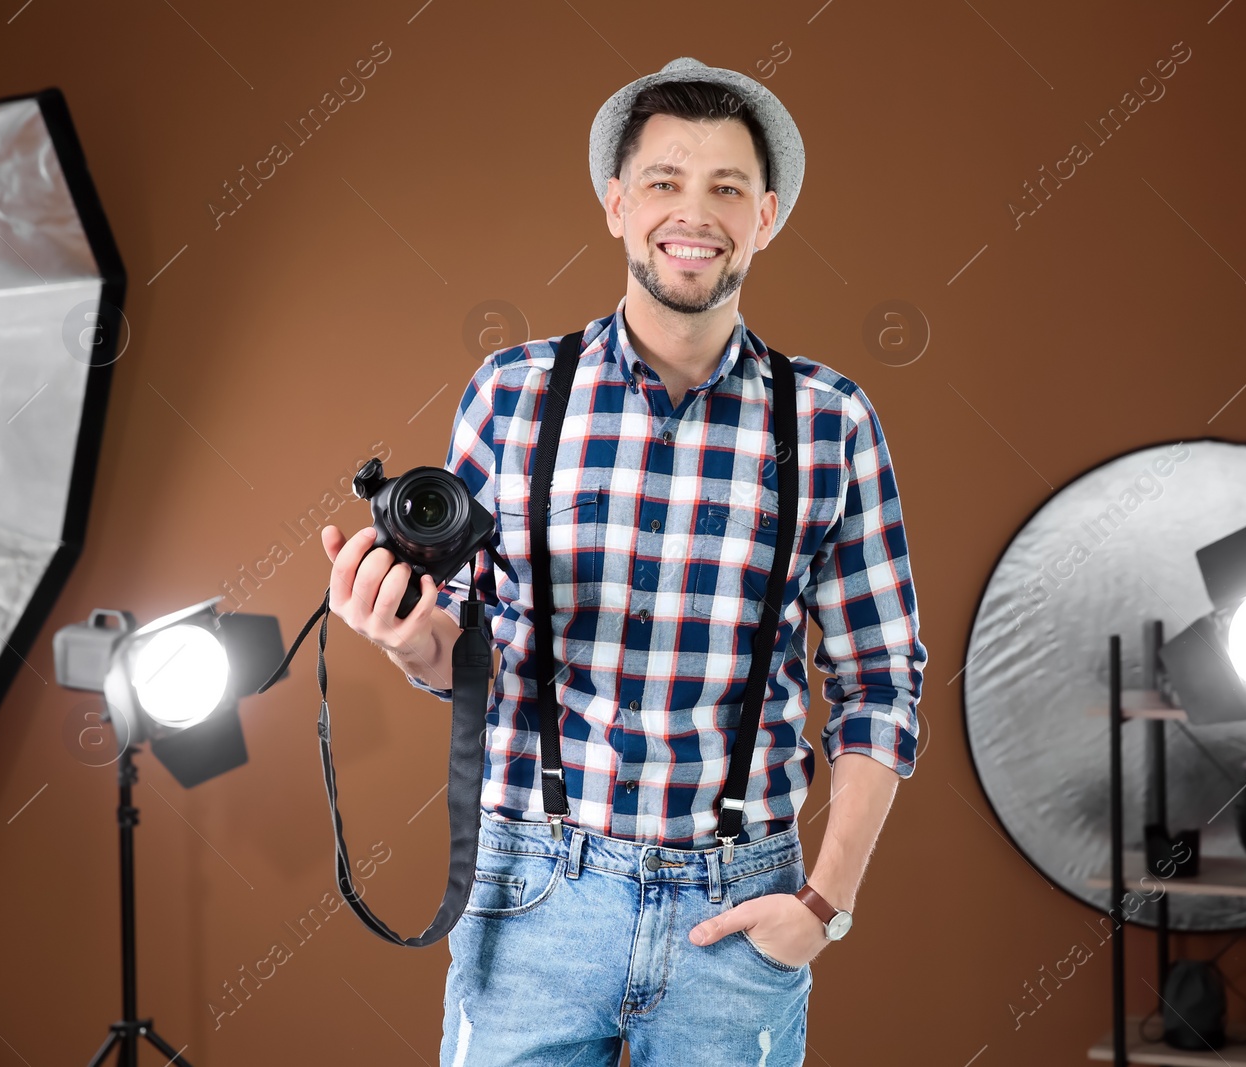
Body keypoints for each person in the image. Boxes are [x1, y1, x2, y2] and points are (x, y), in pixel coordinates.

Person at [320, 56, 925, 1067]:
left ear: (765, 215)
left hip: (738, 905)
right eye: (664, 181)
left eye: (727, 187)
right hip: (533, 893)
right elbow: (460, 652)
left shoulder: (829, 419)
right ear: (615, 203)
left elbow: (880, 680)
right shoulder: (513, 392)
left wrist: (826, 902)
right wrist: (399, 635)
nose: (695, 212)